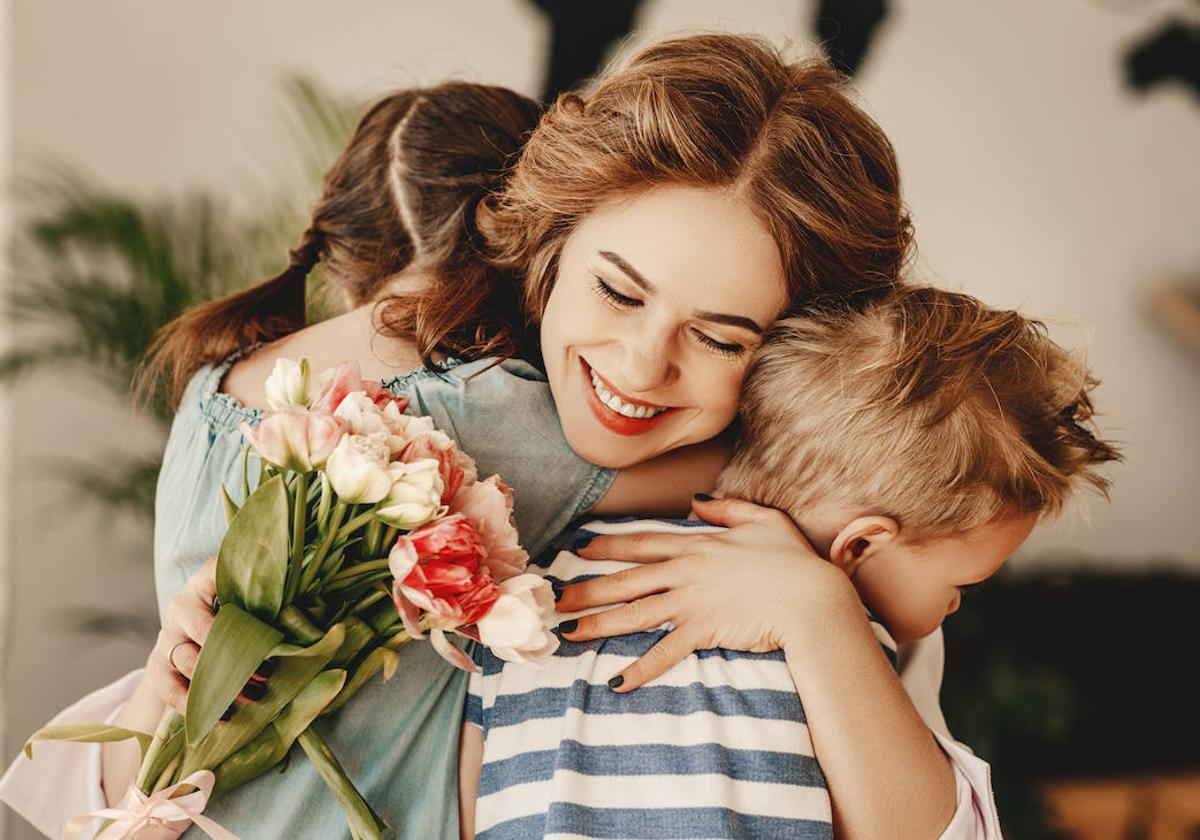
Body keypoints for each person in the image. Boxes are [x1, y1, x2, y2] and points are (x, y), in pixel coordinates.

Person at [1, 34, 992, 839]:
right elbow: (124, 782)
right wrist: (176, 685)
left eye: (722, 338)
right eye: (617, 289)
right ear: (547, 247)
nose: (644, 367)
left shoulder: (831, 535)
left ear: (798, 350)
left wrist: (814, 608)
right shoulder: (443, 457)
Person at [460, 285, 1120, 839]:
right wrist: (825, 614)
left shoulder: (546, 574)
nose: (954, 607)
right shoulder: (850, 644)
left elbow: (465, 772)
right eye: (960, 585)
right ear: (858, 546)